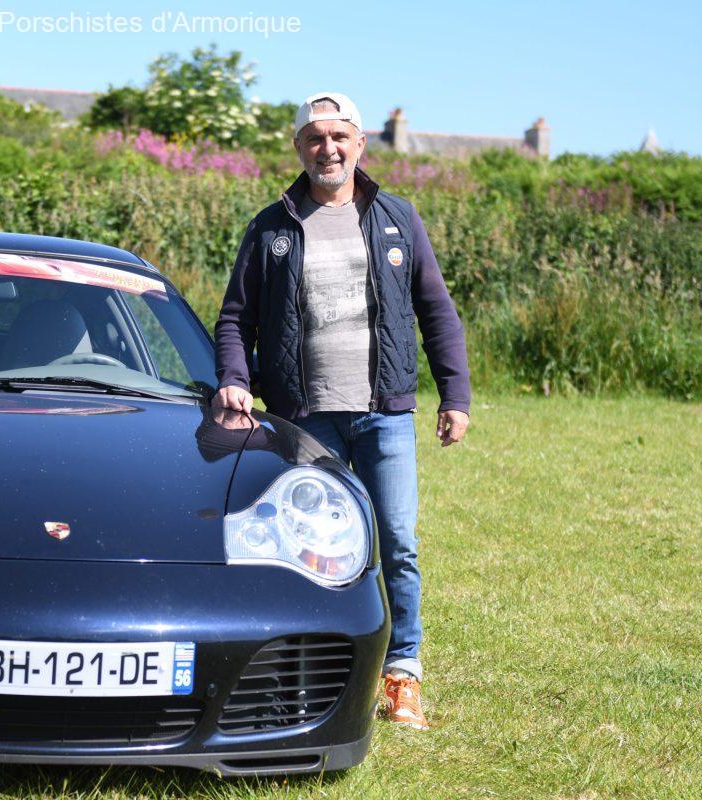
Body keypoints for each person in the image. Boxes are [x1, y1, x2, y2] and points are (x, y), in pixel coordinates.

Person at [212, 91, 471, 730]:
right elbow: (236, 317)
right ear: (299, 147)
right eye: (314, 139)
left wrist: (455, 394)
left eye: (338, 138)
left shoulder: (396, 217)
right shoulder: (272, 226)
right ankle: (303, 676)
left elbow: (436, 311)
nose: (327, 149)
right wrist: (235, 379)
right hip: (304, 421)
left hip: (384, 414)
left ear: (359, 143)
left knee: (398, 541)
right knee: (305, 549)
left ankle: (402, 674)